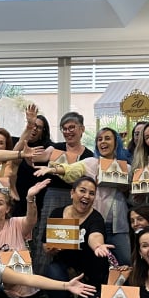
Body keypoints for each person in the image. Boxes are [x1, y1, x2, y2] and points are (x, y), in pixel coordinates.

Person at [35, 127, 133, 266]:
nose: (103, 142)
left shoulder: (126, 168)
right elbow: (70, 169)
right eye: (99, 139)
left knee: (125, 261)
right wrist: (52, 169)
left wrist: (124, 188)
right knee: (94, 262)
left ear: (116, 143)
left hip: (118, 226)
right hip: (94, 222)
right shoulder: (91, 162)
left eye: (107, 138)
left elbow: (133, 195)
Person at [44, 176, 112, 298]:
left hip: (89, 275)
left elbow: (95, 236)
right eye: (82, 191)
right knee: (52, 271)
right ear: (72, 193)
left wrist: (98, 246)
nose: (87, 196)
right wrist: (51, 249)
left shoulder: (96, 218)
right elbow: (46, 246)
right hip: (64, 269)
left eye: (91, 193)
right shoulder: (57, 213)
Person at [33, 112, 97, 275]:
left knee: (73, 241)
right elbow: (33, 158)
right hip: (53, 198)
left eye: (71, 127)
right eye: (64, 129)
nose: (68, 132)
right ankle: (41, 279)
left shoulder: (89, 156)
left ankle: (70, 279)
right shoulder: (54, 148)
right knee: (48, 240)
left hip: (77, 201)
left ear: (82, 129)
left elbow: (87, 182)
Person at [13, 106, 52, 217]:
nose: (34, 129)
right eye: (33, 125)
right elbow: (13, 155)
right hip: (17, 196)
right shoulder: (18, 142)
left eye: (38, 127)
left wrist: (30, 158)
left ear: (43, 132)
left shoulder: (47, 146)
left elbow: (47, 154)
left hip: (38, 198)